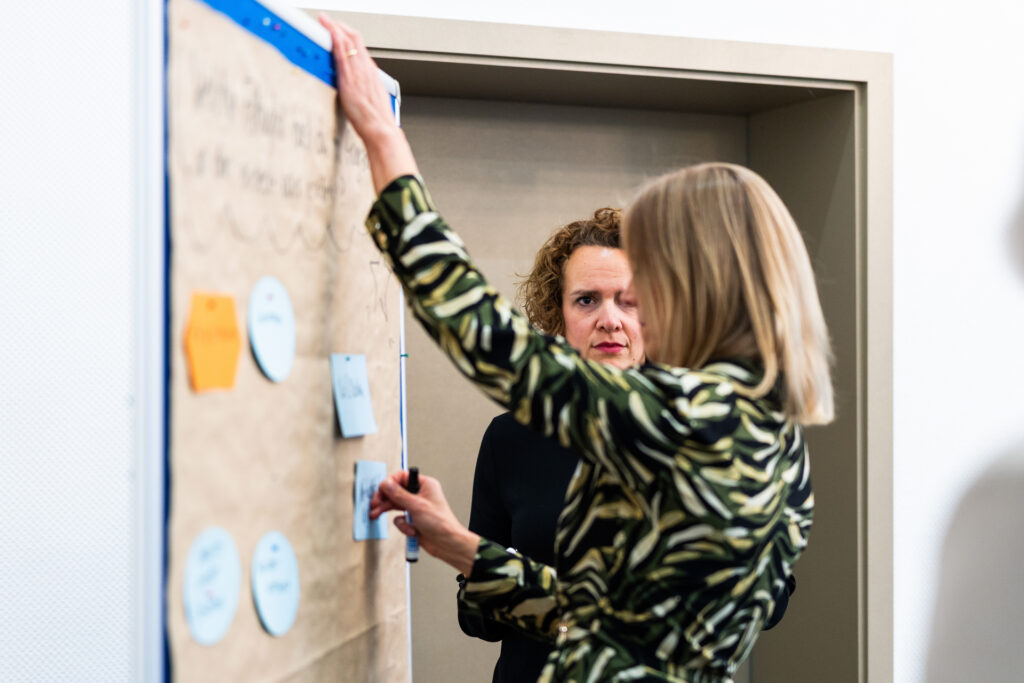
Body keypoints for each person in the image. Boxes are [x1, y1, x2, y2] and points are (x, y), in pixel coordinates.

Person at [321, 16, 833, 682]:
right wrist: (459, 545)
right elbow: (610, 621)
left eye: (648, 276)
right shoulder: (770, 429)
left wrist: (384, 140)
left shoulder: (681, 414)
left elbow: (481, 333)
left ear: (696, 280)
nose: (627, 306)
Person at [458, 208, 644, 682]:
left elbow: (771, 597)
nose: (609, 320)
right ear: (558, 314)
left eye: (629, 301)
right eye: (587, 300)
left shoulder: (704, 432)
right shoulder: (511, 437)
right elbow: (474, 617)